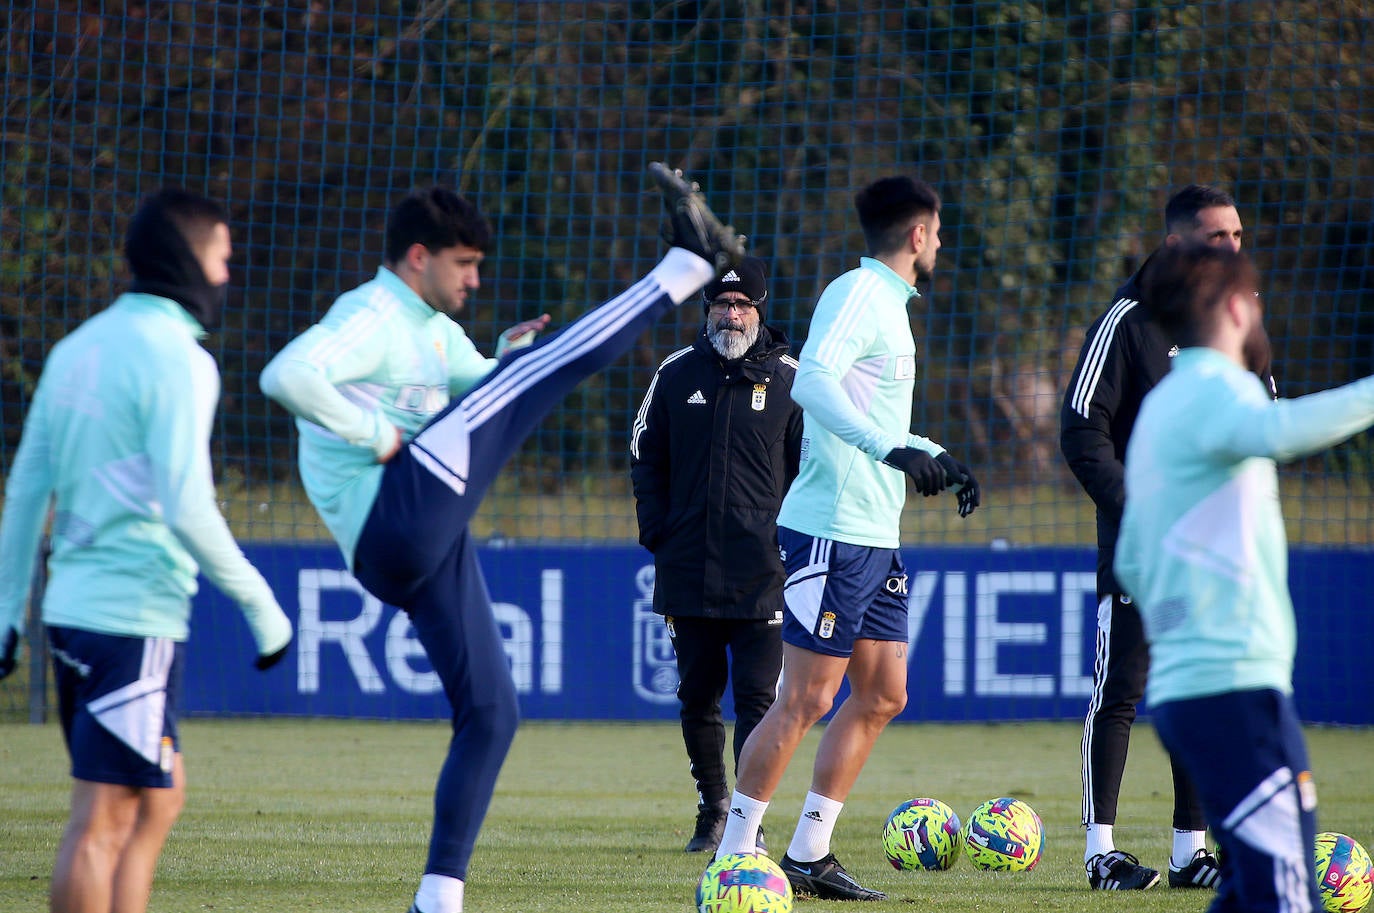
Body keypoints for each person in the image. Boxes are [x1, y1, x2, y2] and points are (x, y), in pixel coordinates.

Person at [259, 165, 743, 913]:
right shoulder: (370, 314)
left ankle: (437, 898)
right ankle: (684, 267)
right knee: (540, 380)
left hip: (417, 540)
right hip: (395, 514)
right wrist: (379, 433)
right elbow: (286, 374)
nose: (476, 281)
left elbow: (483, 387)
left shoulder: (433, 331)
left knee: (493, 712)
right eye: (466, 264)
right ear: (418, 256)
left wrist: (503, 363)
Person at [0, 188, 293, 913]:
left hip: (76, 612)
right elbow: (185, 500)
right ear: (189, 259)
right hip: (132, 615)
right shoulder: (180, 360)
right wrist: (262, 604)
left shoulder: (76, 348)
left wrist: (7, 611)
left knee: (157, 800)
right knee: (100, 819)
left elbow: (26, 489)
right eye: (222, 257)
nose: (228, 274)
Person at [711, 175, 980, 901]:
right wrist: (893, 452)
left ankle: (809, 851)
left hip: (874, 532)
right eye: (938, 228)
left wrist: (934, 453)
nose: (940, 241)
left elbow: (877, 418)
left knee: (885, 691)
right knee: (806, 697)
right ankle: (735, 853)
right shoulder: (857, 294)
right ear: (918, 233)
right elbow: (813, 385)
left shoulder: (891, 306)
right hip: (830, 529)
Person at [1117, 241, 1374, 913]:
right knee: (1286, 896)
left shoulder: (1163, 409)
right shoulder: (1215, 390)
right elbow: (1280, 430)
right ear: (1236, 307)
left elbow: (1133, 561)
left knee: (1247, 893)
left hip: (1196, 690)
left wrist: (1182, 630)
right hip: (1230, 689)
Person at [1059, 184, 1261, 890]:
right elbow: (1081, 427)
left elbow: (1259, 416)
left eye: (1238, 235)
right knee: (1121, 688)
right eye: (1218, 237)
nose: (1233, 248)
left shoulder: (1235, 317)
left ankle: (1188, 854)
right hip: (1142, 553)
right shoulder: (1126, 319)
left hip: (1214, 552)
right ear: (1177, 242)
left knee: (1196, 691)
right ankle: (1099, 852)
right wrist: (1141, 511)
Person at [629, 256, 802, 854]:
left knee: (760, 700)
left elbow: (812, 470)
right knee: (697, 695)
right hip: (689, 565)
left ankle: (748, 822)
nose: (731, 315)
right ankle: (712, 810)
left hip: (765, 571)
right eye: (721, 306)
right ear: (707, 312)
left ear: (759, 311)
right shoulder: (676, 374)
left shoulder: (790, 380)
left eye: (742, 306)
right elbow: (644, 455)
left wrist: (797, 544)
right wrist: (658, 531)